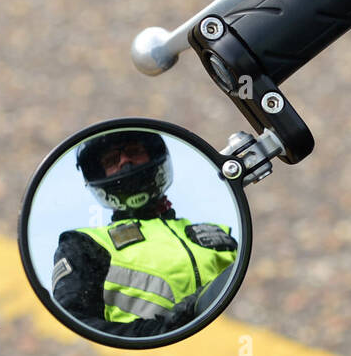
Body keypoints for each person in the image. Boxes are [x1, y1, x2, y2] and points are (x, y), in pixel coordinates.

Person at [50, 130, 238, 337]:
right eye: (112, 160)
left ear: (153, 156)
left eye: (134, 151)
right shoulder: (86, 244)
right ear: (99, 175)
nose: (125, 162)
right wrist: (163, 329)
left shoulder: (217, 234)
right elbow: (74, 325)